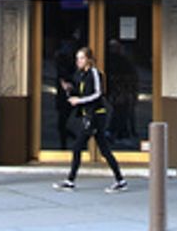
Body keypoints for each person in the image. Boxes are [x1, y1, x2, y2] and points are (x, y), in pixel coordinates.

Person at [53, 45, 127, 193]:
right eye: (77, 58)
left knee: (77, 147)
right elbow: (79, 91)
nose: (78, 61)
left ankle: (70, 180)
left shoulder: (94, 73)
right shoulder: (80, 75)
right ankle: (120, 180)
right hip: (89, 114)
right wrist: (69, 89)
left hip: (96, 115)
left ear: (88, 59)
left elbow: (98, 94)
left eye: (81, 58)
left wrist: (78, 101)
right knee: (104, 149)